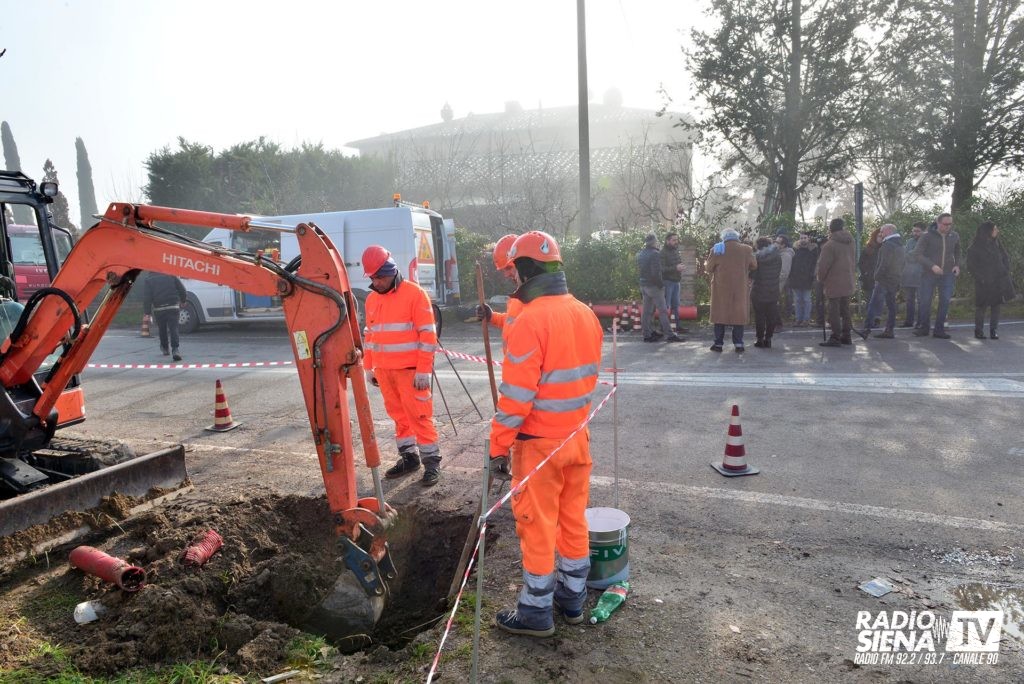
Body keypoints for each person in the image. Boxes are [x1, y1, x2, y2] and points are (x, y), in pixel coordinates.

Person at [488, 230, 603, 638]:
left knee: (536, 526)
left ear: (523, 269)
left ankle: (536, 612)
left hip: (539, 447)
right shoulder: (585, 313)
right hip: (577, 438)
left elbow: (516, 399)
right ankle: (572, 599)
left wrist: (497, 446)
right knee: (573, 519)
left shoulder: (532, 320)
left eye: (514, 271)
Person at [360, 245, 442, 487]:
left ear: (391, 271)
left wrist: (424, 370)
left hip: (410, 372)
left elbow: (428, 335)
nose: (377, 282)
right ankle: (409, 457)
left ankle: (432, 463)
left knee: (420, 416)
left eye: (380, 277)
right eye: (373, 278)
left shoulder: (415, 294)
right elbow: (370, 334)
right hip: (385, 372)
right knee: (398, 416)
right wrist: (369, 367)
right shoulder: (373, 299)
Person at [706, 228, 757, 353]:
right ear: (737, 237)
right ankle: (739, 344)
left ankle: (718, 344)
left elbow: (708, 268)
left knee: (720, 316)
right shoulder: (747, 249)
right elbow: (754, 265)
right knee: (738, 316)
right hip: (739, 288)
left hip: (720, 288)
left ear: (723, 237)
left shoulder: (717, 249)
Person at [913, 213, 961, 339]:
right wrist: (932, 266)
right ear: (938, 223)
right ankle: (924, 328)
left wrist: (957, 265)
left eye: (950, 224)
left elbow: (958, 251)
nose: (948, 227)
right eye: (945, 224)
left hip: (947, 274)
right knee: (925, 301)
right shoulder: (927, 236)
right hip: (928, 274)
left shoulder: (954, 236)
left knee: (945, 301)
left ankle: (939, 330)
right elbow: (917, 254)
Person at [856, 224, 905, 339]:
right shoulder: (900, 245)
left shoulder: (887, 245)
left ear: (888, 231)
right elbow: (903, 263)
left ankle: (866, 329)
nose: (881, 234)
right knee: (891, 305)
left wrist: (876, 276)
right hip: (894, 279)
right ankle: (889, 330)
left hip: (884, 280)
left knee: (873, 304)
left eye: (882, 231)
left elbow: (884, 264)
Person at [966, 221, 1013, 340]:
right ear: (988, 231)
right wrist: (981, 278)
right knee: (981, 307)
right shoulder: (974, 247)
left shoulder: (996, 243)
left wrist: (1005, 269)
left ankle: (994, 330)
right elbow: (971, 266)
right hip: (983, 281)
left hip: (998, 280)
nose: (997, 231)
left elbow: (1005, 256)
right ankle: (979, 331)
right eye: (995, 229)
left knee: (996, 306)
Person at [816, 218, 857, 347]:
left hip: (834, 281)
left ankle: (835, 336)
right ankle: (847, 335)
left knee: (833, 310)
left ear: (831, 228)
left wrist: (820, 278)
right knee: (845, 309)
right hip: (848, 278)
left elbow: (823, 266)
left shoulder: (830, 245)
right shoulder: (851, 241)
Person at [636, 233, 683, 343]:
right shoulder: (655, 254)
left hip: (644, 285)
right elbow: (656, 273)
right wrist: (661, 285)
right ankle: (669, 335)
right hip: (654, 286)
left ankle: (647, 334)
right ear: (654, 242)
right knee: (663, 311)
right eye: (657, 241)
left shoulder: (641, 253)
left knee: (646, 312)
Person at [477, 233, 520, 348]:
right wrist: (492, 316)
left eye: (508, 268)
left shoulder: (536, 298)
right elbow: (515, 322)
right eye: (503, 270)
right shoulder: (520, 297)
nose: (506, 275)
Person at [143, 272, 186, 361]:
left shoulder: (149, 279)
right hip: (173, 305)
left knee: (162, 329)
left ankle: (165, 348)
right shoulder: (171, 274)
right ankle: (175, 350)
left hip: (159, 308)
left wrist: (147, 312)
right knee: (173, 328)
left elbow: (147, 297)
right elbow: (182, 289)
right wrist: (183, 300)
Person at [751, 237, 782, 348]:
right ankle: (768, 339)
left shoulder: (757, 258)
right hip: (773, 290)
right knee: (771, 317)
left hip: (758, 291)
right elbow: (778, 272)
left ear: (758, 246)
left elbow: (753, 275)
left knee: (759, 317)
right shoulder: (777, 256)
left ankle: (760, 339)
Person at [788, 232, 819, 327]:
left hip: (808, 278)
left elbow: (815, 264)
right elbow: (791, 263)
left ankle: (806, 319)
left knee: (806, 300)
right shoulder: (795, 250)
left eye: (805, 238)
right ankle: (798, 319)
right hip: (796, 278)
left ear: (808, 239)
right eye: (801, 238)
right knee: (797, 300)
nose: (803, 239)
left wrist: (813, 275)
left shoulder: (813, 250)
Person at [900, 222, 925, 328]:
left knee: (921, 300)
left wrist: (912, 254)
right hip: (908, 274)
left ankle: (920, 322)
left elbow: (920, 256)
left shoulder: (926, 241)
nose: (915, 233)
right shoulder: (909, 241)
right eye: (914, 230)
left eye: (918, 231)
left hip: (921, 275)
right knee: (909, 300)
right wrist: (912, 254)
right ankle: (909, 321)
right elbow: (905, 255)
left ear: (923, 231)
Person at [660, 232, 686, 334]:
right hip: (667, 282)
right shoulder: (662, 253)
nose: (676, 242)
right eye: (674, 240)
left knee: (676, 305)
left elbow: (677, 263)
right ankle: (664, 327)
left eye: (677, 239)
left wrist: (681, 267)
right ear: (667, 241)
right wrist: (675, 268)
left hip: (676, 281)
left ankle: (677, 326)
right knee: (666, 305)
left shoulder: (676, 250)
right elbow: (661, 269)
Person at [775, 234, 794, 328]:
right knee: (773, 303)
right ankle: (776, 323)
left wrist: (773, 280)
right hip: (775, 282)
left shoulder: (786, 255)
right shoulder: (779, 253)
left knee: (773, 303)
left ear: (783, 245)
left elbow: (784, 273)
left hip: (778, 283)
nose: (775, 244)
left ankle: (778, 324)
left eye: (777, 242)